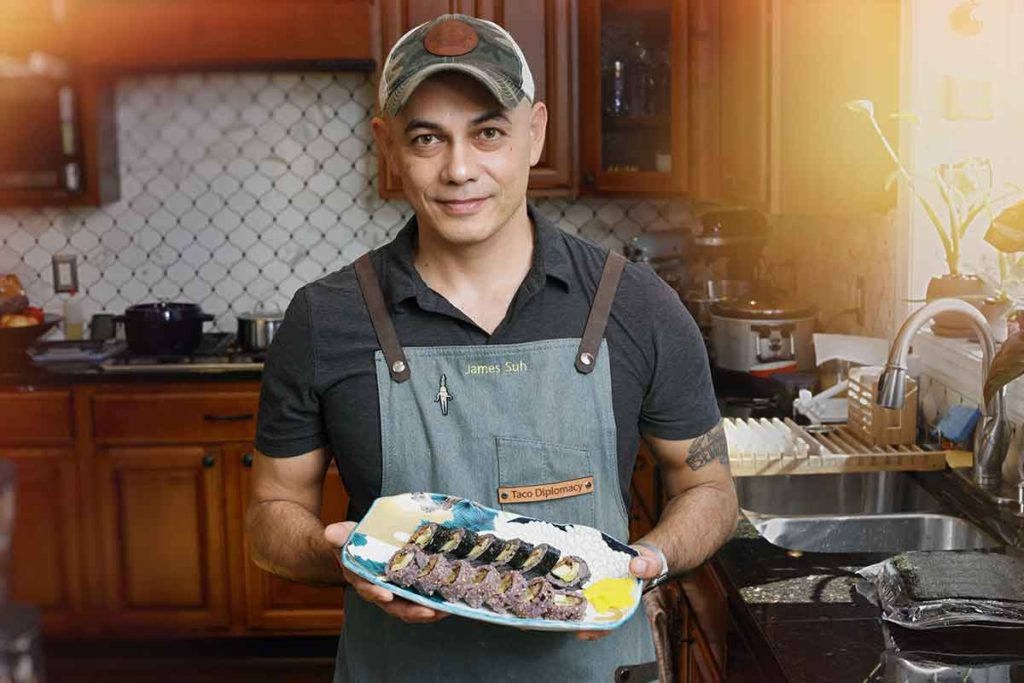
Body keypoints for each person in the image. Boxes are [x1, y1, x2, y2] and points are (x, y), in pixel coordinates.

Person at [246, 13, 738, 682]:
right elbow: (272, 511)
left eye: (488, 133)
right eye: (427, 138)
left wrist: (647, 561)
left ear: (534, 134)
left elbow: (707, 486)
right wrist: (339, 554)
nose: (459, 168)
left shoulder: (634, 304)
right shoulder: (326, 318)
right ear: (387, 145)